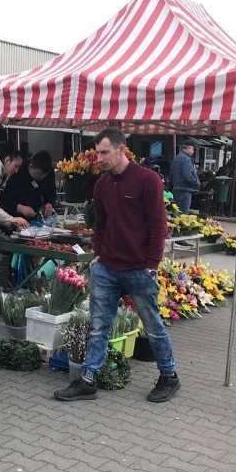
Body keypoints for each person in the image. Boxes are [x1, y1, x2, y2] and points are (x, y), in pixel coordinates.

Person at [54, 128, 181, 404]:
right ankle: (87, 380)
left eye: (104, 152)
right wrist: (98, 254)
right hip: (107, 268)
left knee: (153, 325)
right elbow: (101, 224)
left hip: (138, 269)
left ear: (121, 150)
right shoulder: (101, 185)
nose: (98, 158)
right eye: (97, 152)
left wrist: (152, 264)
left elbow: (159, 225)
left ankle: (169, 376)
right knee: (99, 326)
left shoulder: (148, 180)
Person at [0, 150, 56, 232]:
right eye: (38, 174)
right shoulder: (16, 173)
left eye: (44, 176)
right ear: (31, 167)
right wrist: (20, 208)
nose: (41, 178)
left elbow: (52, 191)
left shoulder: (48, 173)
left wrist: (49, 203)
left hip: (33, 220)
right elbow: (2, 200)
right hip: (12, 219)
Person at [170, 140, 199, 213]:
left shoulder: (177, 158)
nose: (193, 152)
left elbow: (171, 174)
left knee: (176, 214)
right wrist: (196, 183)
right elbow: (188, 175)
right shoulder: (186, 159)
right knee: (183, 215)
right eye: (193, 149)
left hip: (176, 189)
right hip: (185, 190)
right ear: (188, 148)